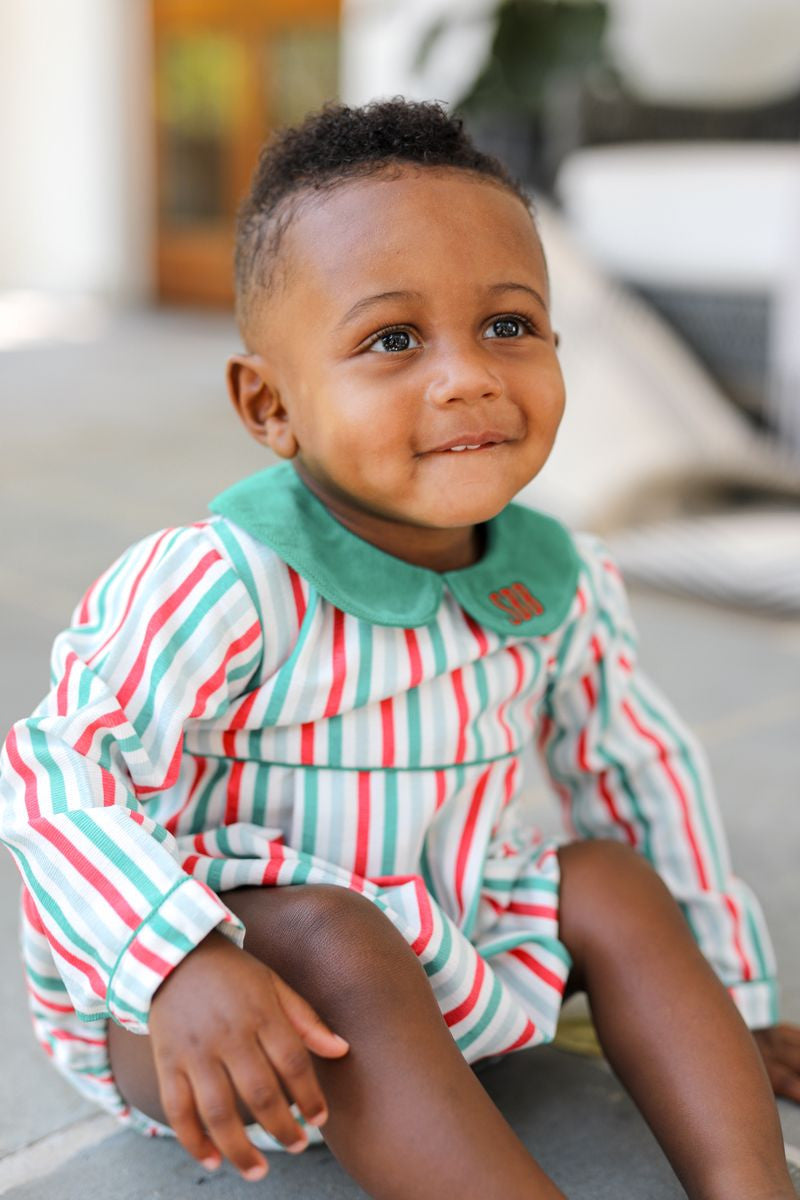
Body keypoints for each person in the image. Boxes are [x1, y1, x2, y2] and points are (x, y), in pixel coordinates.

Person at [0, 99, 797, 1200]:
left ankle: (746, 1185)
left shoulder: (559, 579)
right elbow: (53, 770)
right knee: (333, 932)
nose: (467, 375)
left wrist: (731, 996)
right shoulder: (222, 583)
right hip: (223, 1009)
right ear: (269, 404)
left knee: (608, 880)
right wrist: (175, 955)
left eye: (509, 326)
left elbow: (634, 773)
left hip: (451, 939)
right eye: (391, 339)